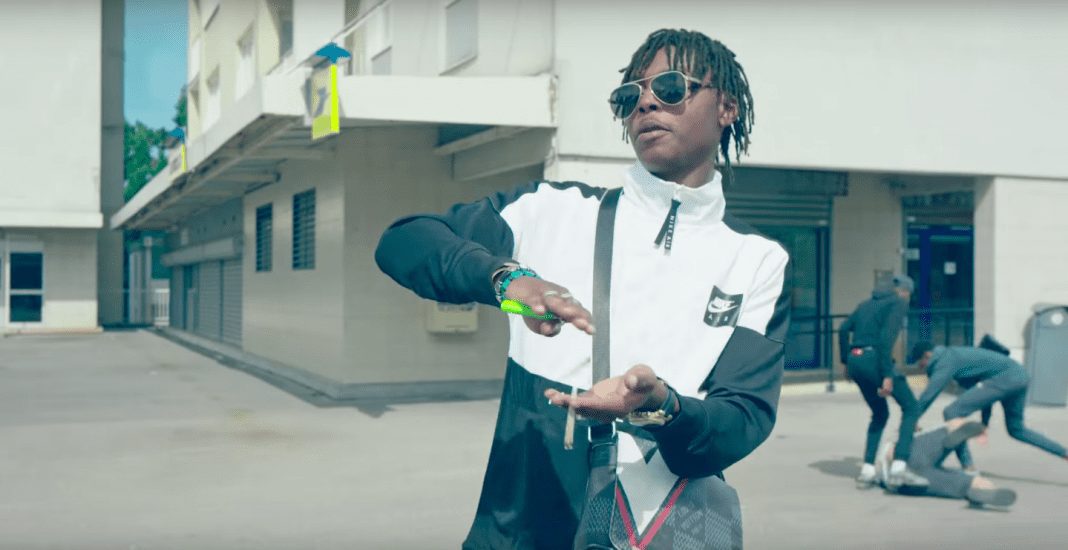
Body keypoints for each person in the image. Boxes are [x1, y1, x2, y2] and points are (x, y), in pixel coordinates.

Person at [376, 28, 790, 549]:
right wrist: (507, 279)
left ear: (726, 107)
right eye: (629, 96)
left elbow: (741, 420)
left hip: (658, 532)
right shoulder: (552, 210)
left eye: (669, 86)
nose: (645, 102)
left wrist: (659, 405)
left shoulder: (756, 261)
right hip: (518, 532)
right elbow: (404, 241)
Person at [838, 275, 928, 489]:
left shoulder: (865, 304)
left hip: (856, 361)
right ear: (904, 291)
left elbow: (843, 329)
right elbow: (886, 339)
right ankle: (899, 466)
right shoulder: (898, 303)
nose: (908, 299)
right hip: (875, 360)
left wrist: (845, 362)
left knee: (880, 414)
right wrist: (887, 374)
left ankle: (867, 470)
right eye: (909, 294)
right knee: (911, 408)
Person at [910, 341, 1068, 463]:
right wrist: (984, 423)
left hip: (1006, 378)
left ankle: (968, 467)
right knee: (1016, 430)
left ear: (927, 355)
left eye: (920, 364)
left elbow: (929, 394)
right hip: (1019, 376)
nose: (921, 369)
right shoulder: (955, 355)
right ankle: (1064, 453)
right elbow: (985, 395)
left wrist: (912, 419)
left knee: (952, 412)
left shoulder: (945, 360)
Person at [874, 421, 1017, 507]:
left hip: (899, 461)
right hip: (911, 466)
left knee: (958, 477)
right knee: (948, 430)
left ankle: (974, 485)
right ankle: (977, 485)